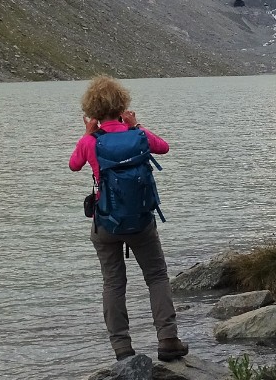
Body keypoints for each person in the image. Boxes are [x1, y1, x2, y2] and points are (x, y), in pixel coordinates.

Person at [68, 75, 188, 362]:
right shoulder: (138, 136)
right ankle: (168, 340)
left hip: (106, 223)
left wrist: (87, 134)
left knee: (113, 283)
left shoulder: (91, 142)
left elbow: (74, 165)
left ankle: (122, 349)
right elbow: (164, 147)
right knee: (157, 276)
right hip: (142, 222)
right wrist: (136, 126)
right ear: (122, 104)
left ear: (93, 109)